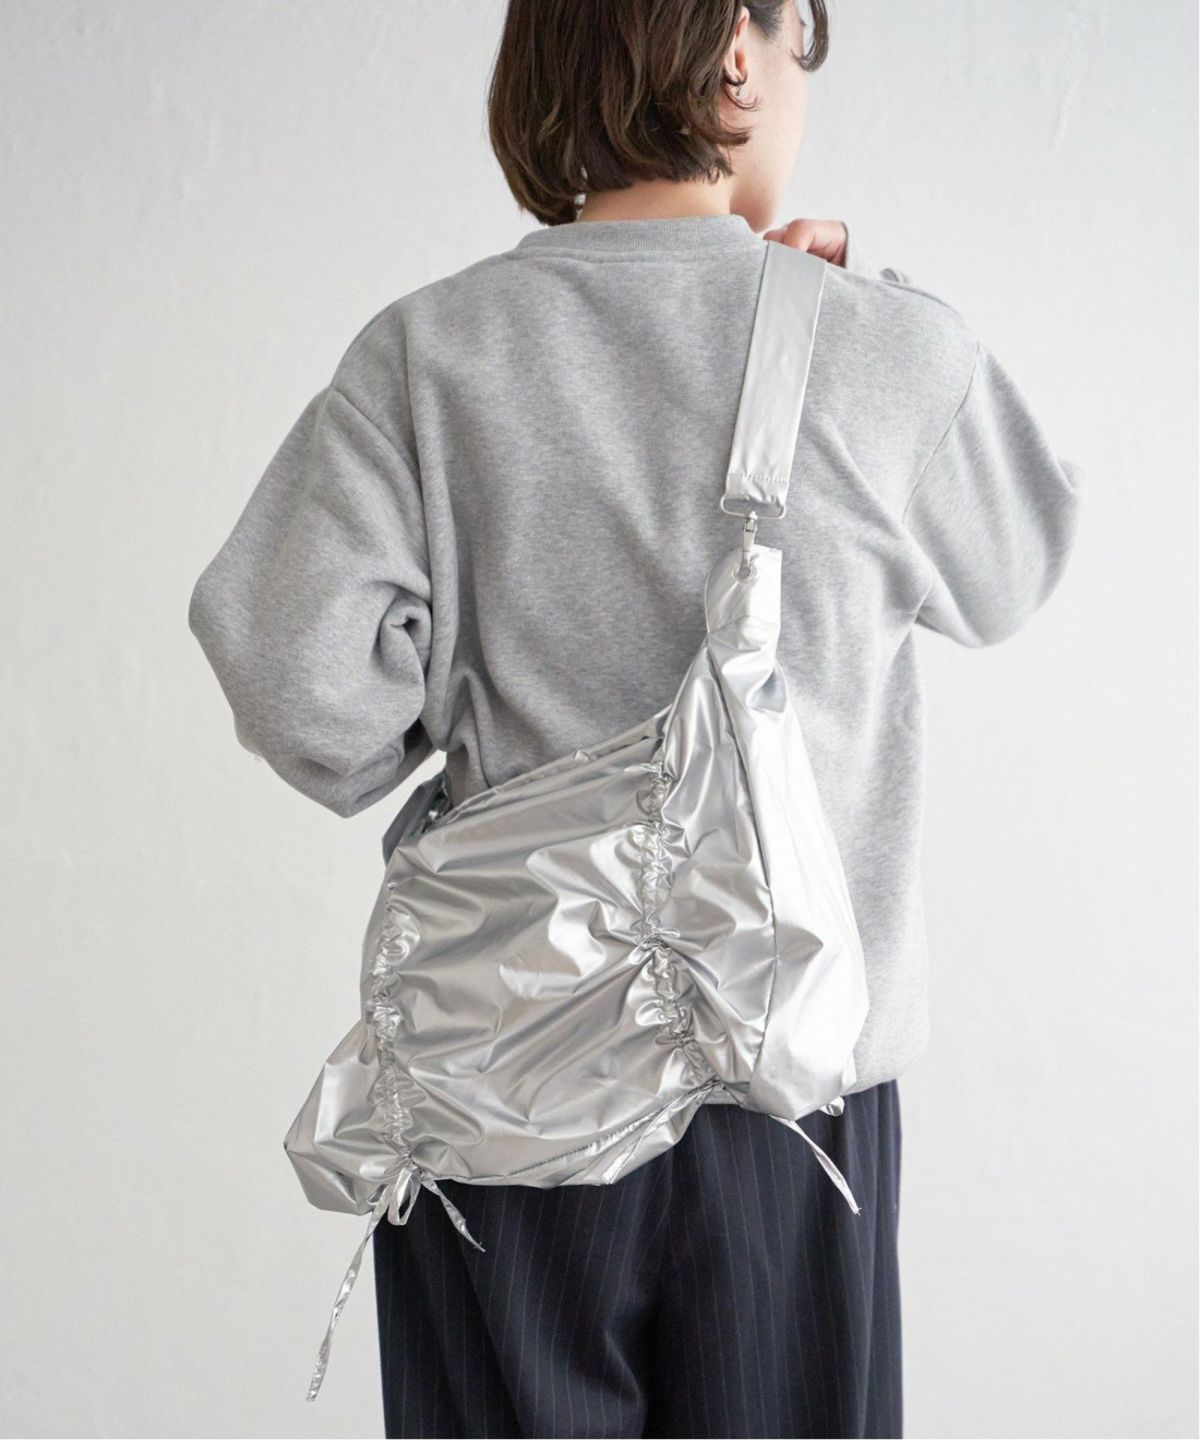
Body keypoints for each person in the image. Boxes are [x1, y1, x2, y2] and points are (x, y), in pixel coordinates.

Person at [187, 1, 1086, 1435]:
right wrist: (865, 295)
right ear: (736, 49)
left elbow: (308, 697)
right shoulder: (880, 349)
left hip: (509, 1096)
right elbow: (1019, 558)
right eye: (798, 44)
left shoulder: (426, 356)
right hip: (796, 1124)